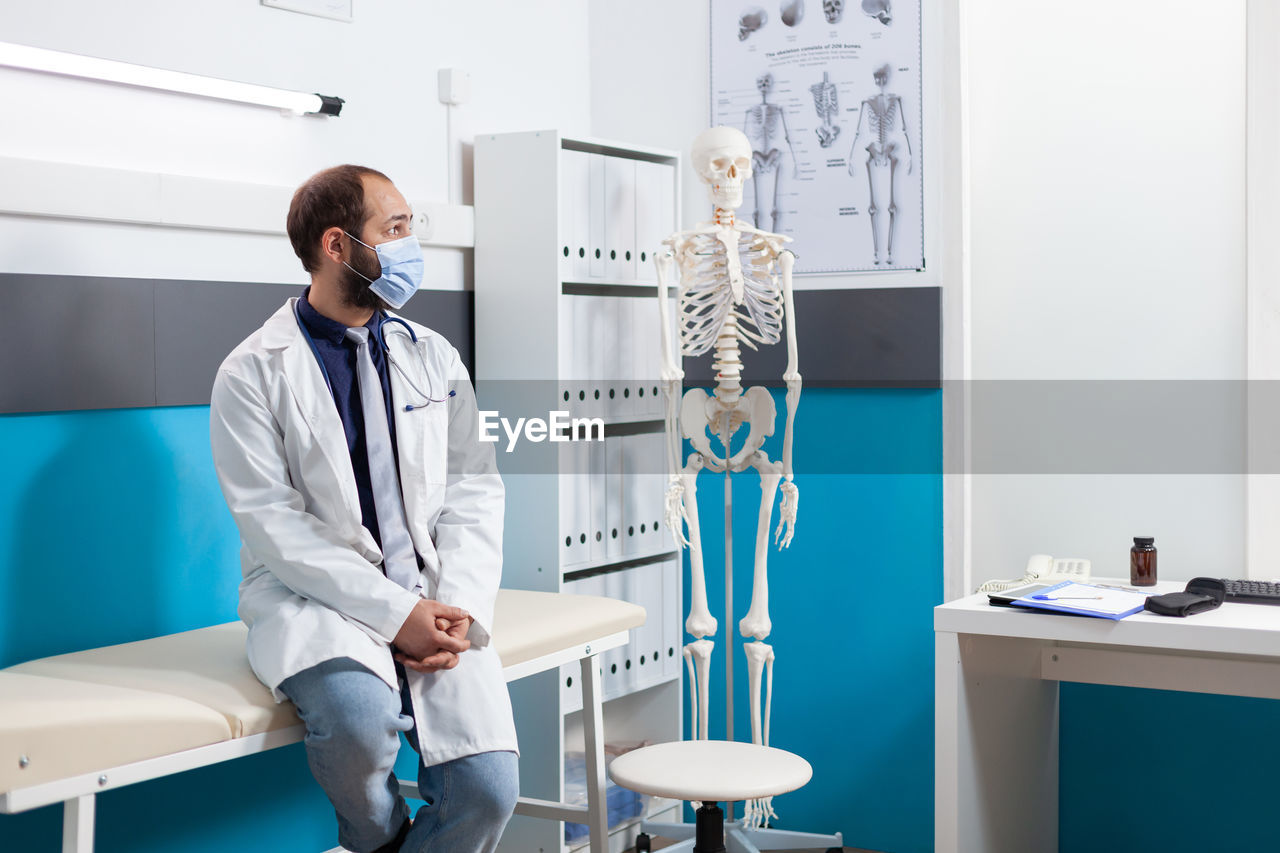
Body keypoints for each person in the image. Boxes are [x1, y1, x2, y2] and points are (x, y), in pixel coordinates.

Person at [209, 164, 519, 853]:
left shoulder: (433, 356)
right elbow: (273, 524)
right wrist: (393, 613)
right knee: (356, 721)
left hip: (436, 592)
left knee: (489, 790)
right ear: (338, 245)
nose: (412, 246)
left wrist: (458, 605)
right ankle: (374, 841)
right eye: (397, 228)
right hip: (312, 600)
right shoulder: (252, 371)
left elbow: (474, 488)